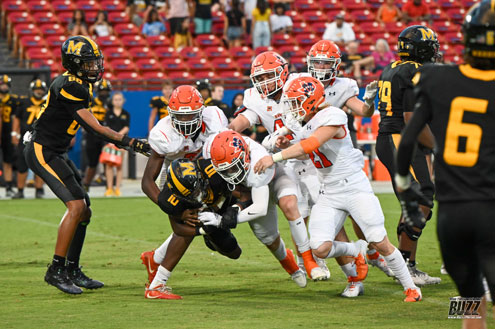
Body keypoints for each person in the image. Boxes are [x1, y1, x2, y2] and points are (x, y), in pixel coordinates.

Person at [253, 76, 422, 302]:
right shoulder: (307, 122)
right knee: (319, 247)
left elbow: (312, 144)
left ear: (311, 100)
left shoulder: (333, 114)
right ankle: (356, 251)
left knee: (379, 240)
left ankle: (411, 288)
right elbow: (309, 153)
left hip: (353, 187)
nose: (292, 108)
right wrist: (289, 146)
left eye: (295, 102)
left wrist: (274, 157)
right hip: (329, 191)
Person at [24, 35, 150, 295]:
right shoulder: (69, 84)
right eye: (88, 63)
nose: (95, 67)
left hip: (56, 151)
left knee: (85, 211)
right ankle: (56, 270)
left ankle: (71, 269)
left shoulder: (81, 84)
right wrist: (129, 142)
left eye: (95, 62)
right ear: (73, 63)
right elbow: (95, 128)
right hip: (42, 150)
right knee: (76, 206)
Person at [396, 0, 495, 325]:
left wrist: (404, 189)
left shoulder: (436, 79)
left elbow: (407, 141)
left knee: (468, 299)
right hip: (490, 209)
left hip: (451, 218)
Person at [229, 51, 329, 281]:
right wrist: (228, 131)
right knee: (297, 210)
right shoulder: (254, 97)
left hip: (314, 156)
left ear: (283, 72)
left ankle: (369, 254)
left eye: (269, 76)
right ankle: (310, 260)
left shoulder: (299, 82)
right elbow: (242, 121)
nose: (264, 82)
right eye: (260, 78)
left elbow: (322, 108)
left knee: (330, 208)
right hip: (285, 159)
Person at [206, 130, 333, 287]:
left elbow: (260, 207)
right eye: (225, 170)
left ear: (245, 156)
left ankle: (308, 260)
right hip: (250, 187)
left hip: (274, 177)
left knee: (289, 204)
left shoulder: (257, 162)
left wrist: (221, 221)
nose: (229, 173)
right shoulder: (211, 150)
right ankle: (292, 267)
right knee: (269, 239)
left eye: (233, 168)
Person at [375, 25, 440, 286]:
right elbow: (412, 118)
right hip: (399, 139)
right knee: (421, 198)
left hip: (393, 139)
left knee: (416, 201)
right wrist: (438, 148)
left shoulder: (392, 67)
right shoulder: (413, 71)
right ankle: (403, 265)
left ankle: (405, 264)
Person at [140, 157, 244, 299]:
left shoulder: (213, 172)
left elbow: (243, 192)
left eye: (196, 190)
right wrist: (203, 230)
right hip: (207, 218)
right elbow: (178, 230)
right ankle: (157, 285)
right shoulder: (169, 199)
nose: (197, 195)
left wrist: (235, 209)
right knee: (194, 223)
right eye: (191, 194)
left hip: (224, 204)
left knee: (234, 253)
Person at [11, 79, 46, 199]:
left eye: (41, 89)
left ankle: (39, 189)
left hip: (42, 137)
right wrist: (14, 134)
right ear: (32, 91)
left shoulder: (47, 103)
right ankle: (20, 190)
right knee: (22, 163)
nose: (39, 91)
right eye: (37, 89)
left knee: (41, 164)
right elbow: (17, 118)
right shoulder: (24, 102)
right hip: (25, 136)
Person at [81, 79, 113, 192]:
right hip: (92, 135)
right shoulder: (90, 102)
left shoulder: (111, 104)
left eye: (106, 91)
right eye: (102, 91)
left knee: (108, 162)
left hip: (106, 135)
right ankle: (86, 185)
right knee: (92, 163)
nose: (104, 94)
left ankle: (109, 187)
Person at [103, 92, 130, 197]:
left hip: (121, 142)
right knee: (109, 165)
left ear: (123, 101)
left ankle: (118, 188)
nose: (118, 101)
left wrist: (118, 136)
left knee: (119, 165)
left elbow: (126, 127)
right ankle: (109, 188)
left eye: (119, 99)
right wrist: (111, 139)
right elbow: (106, 128)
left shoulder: (126, 114)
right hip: (110, 142)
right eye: (116, 99)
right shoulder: (108, 113)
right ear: (112, 101)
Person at [0, 74, 19, 197]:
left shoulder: (14, 100)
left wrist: (15, 133)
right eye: (2, 84)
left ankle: (8, 186)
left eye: (6, 84)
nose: (4, 87)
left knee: (8, 161)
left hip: (7, 132)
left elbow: (16, 118)